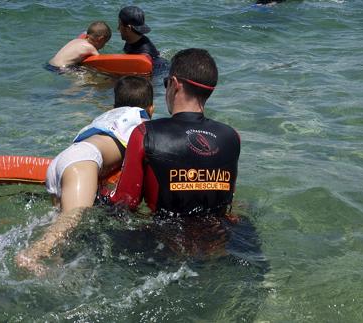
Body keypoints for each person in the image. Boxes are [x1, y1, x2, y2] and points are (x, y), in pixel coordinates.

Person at [15, 76, 154, 275]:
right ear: (151, 109)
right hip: (83, 163)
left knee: (59, 225)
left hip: (62, 162)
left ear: (114, 104)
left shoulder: (108, 118)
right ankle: (31, 254)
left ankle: (52, 266)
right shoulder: (141, 120)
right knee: (71, 219)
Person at [102, 48, 240, 219]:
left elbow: (125, 203)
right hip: (221, 236)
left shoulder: (145, 134)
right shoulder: (232, 137)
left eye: (166, 82)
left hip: (166, 239)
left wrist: (99, 190)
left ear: (175, 84)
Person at [117, 5, 167, 70]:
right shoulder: (132, 40)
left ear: (128, 28)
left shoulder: (143, 55)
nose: (118, 28)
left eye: (119, 24)